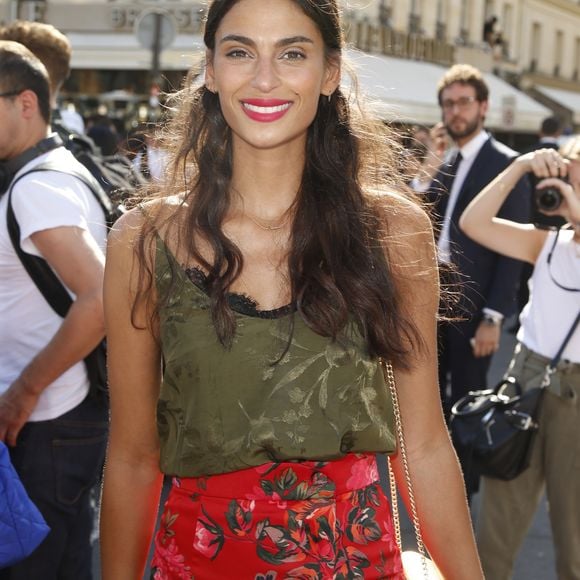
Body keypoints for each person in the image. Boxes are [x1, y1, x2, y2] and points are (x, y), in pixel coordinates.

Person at [99, 1, 483, 578]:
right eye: (239, 52)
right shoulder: (143, 241)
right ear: (210, 70)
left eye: (293, 54)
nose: (264, 78)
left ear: (330, 74)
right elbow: (132, 458)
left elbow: (423, 445)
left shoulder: (393, 230)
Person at [0, 41, 108, 579]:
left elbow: (100, 297)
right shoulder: (56, 167)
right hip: (63, 417)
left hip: (45, 422)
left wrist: (22, 393)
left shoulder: (35, 188)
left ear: (25, 103)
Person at [459, 137, 580, 580]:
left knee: (574, 543)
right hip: (526, 380)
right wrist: (520, 168)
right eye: (570, 179)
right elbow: (472, 222)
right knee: (497, 529)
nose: (570, 190)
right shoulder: (546, 245)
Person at [411, 65, 530, 497]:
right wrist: (429, 164)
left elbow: (512, 251)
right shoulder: (448, 159)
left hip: (475, 304)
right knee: (429, 395)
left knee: (469, 401)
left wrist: (495, 317)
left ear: (483, 106)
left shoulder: (507, 164)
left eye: (463, 102)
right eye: (448, 104)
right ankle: (436, 484)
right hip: (433, 299)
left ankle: (466, 491)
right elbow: (416, 213)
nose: (455, 111)